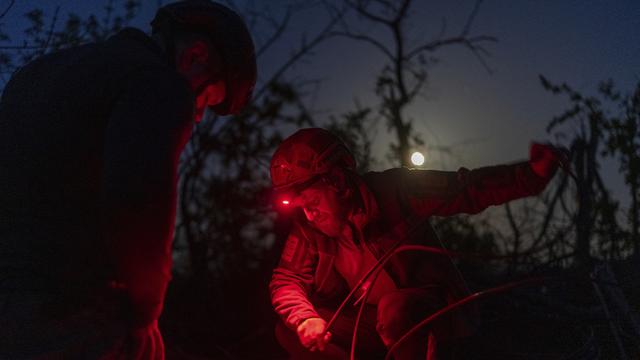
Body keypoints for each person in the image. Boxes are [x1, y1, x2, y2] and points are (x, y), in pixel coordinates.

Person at [0, 1, 255, 358]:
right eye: (204, 99)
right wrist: (144, 314)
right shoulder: (157, 82)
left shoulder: (34, 73)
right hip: (66, 313)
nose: (197, 117)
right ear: (195, 55)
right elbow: (138, 204)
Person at [268, 128, 562, 359]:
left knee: (395, 307)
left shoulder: (395, 190)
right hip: (372, 324)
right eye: (301, 208)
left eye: (313, 202)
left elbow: (465, 189)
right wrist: (304, 319)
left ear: (338, 182)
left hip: (433, 310)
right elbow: (286, 279)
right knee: (289, 332)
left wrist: (530, 176)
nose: (308, 214)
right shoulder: (310, 229)